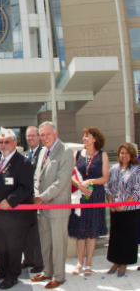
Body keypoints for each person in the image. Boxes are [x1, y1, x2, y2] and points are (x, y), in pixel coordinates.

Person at [0, 127, 34, 290]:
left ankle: (12, 276)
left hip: (14, 217)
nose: (3, 145)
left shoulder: (24, 163)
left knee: (13, 249)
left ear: (15, 143)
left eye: (7, 142)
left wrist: (10, 200)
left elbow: (26, 187)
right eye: (1, 142)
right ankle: (2, 270)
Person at [31, 121, 74, 289]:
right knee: (46, 243)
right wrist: (37, 195)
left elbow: (62, 181)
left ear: (56, 133)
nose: (44, 137)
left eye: (47, 134)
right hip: (42, 207)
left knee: (58, 245)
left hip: (57, 208)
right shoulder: (43, 152)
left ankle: (59, 276)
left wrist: (43, 197)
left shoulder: (65, 151)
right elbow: (37, 177)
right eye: (42, 135)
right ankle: (47, 272)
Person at [69, 126, 109, 276]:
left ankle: (88, 263)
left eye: (87, 136)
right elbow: (70, 174)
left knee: (92, 231)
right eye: (83, 135)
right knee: (81, 231)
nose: (84, 138)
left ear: (95, 139)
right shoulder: (77, 154)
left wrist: (90, 181)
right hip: (80, 195)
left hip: (96, 194)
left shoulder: (103, 155)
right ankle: (79, 262)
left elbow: (105, 178)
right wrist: (80, 185)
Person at [105, 143, 140, 277]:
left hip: (130, 210)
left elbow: (137, 191)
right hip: (115, 209)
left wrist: (124, 204)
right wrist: (110, 202)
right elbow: (107, 187)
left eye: (127, 153)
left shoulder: (137, 170)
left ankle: (124, 263)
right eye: (122, 153)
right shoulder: (114, 169)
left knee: (127, 237)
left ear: (131, 155)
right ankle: (116, 261)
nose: (124, 155)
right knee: (116, 237)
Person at [21, 126, 44, 273]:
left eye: (33, 136)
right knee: (26, 231)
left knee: (38, 233)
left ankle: (39, 262)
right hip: (24, 201)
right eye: (28, 136)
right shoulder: (23, 155)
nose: (30, 138)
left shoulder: (44, 154)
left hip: (38, 200)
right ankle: (28, 259)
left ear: (39, 137)